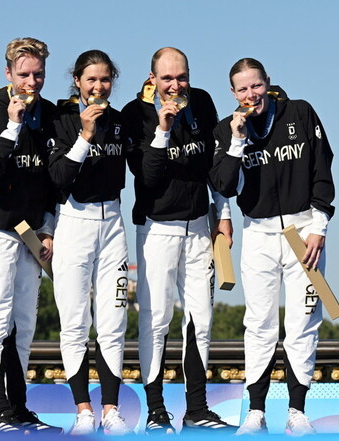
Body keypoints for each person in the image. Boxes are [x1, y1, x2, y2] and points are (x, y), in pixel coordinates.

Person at [210, 57, 335, 436]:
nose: (251, 95)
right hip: (258, 234)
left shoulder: (300, 112)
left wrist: (320, 226)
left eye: (256, 85)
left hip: (303, 231)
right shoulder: (226, 130)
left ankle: (297, 411)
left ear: (268, 83)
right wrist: (235, 141)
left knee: (303, 322)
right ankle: (256, 412)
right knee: (259, 324)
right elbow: (223, 185)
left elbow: (322, 168)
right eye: (243, 89)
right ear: (233, 94)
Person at [121, 47, 235, 434]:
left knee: (201, 320)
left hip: (200, 227)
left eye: (181, 77)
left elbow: (215, 165)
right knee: (155, 320)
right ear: (152, 78)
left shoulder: (201, 102)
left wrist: (223, 214)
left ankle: (197, 408)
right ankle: (155, 409)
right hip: (157, 229)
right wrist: (163, 128)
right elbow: (146, 176)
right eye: (167, 78)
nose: (175, 86)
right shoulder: (134, 114)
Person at [0, 37, 62, 435]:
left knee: (24, 324)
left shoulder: (53, 116)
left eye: (38, 74)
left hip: (32, 235)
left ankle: (20, 407)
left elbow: (56, 182)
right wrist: (12, 126)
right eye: (24, 74)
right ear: (8, 73)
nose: (32, 82)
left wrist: (50, 230)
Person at [48, 49, 133, 436]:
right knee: (75, 323)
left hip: (113, 221)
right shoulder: (62, 120)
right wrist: (84, 134)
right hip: (74, 223)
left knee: (114, 322)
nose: (99, 87)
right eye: (91, 80)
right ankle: (83, 411)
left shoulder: (120, 121)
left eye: (105, 79)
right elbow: (58, 178)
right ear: (77, 82)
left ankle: (111, 410)